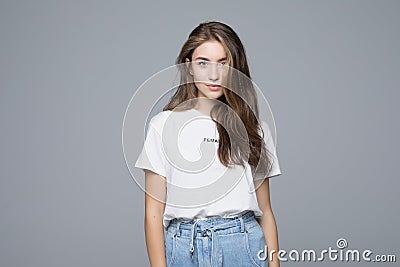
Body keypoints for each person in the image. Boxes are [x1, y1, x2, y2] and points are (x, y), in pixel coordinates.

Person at [135, 21, 282, 267]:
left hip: (242, 246)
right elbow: (152, 214)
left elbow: (265, 211)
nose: (213, 75)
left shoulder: (254, 130)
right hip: (183, 247)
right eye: (203, 63)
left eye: (223, 64)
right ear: (189, 66)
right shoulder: (163, 126)